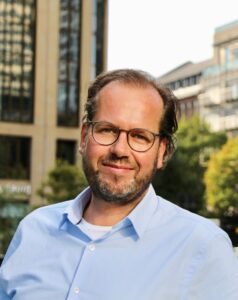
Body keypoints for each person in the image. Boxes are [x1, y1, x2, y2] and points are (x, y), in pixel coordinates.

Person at [0, 69, 237, 300]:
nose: (120, 150)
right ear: (84, 138)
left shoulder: (204, 248)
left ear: (161, 152)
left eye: (139, 136)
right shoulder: (32, 230)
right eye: (107, 130)